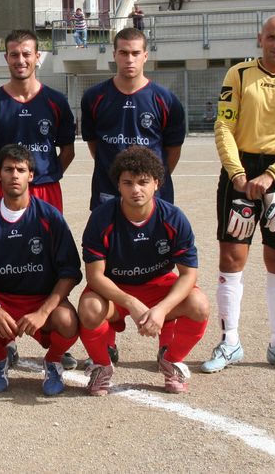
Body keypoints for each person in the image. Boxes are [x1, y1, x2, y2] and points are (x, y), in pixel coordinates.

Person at [203, 14, 275, 375]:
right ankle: (230, 342)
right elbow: (224, 125)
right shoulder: (237, 75)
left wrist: (271, 175)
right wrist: (237, 172)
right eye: (271, 37)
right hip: (240, 168)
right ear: (260, 38)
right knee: (231, 256)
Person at [77, 146, 209, 396]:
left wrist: (162, 309)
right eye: (128, 183)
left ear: (156, 183)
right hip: (116, 291)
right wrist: (131, 303)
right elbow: (94, 276)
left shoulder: (174, 218)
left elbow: (188, 274)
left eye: (143, 182)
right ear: (118, 185)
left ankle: (171, 360)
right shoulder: (101, 218)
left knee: (199, 304)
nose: (135, 190)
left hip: (158, 286)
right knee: (89, 308)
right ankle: (102, 365)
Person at [0, 145, 82, 396]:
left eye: (20, 169)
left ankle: (53, 361)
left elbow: (70, 272)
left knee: (68, 321)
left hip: (41, 298)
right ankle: (0, 358)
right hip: (2, 299)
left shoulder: (50, 216)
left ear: (31, 175)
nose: (14, 175)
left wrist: (43, 312)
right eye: (8, 169)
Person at [81, 27, 185, 210]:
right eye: (123, 53)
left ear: (145, 56)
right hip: (107, 190)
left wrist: (151, 179)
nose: (129, 59)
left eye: (135, 53)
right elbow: (94, 144)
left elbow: (173, 150)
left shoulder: (166, 100)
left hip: (153, 196)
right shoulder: (94, 97)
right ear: (114, 55)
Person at [0, 29, 76, 211]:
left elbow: (68, 151)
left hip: (46, 189)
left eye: (26, 54)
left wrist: (48, 175)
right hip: (5, 190)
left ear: (37, 57)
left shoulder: (57, 101)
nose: (20, 60)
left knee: (49, 231)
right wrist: (5, 178)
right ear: (6, 58)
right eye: (14, 55)